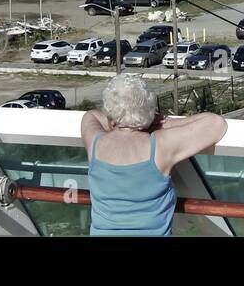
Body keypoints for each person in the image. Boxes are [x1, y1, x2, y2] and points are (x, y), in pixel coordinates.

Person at [80, 74, 227, 236]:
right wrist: (168, 123)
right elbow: (216, 124)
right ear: (149, 108)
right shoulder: (159, 146)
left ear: (109, 111)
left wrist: (116, 120)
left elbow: (91, 115)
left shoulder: (95, 142)